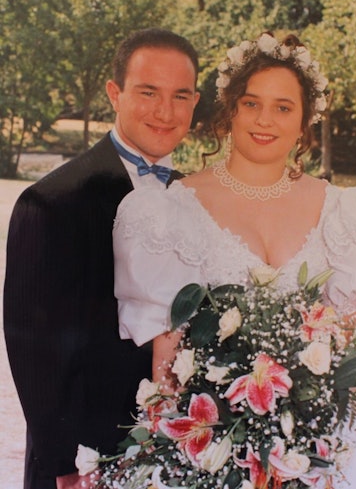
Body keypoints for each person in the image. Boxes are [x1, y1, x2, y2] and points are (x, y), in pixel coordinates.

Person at [112, 32, 356, 488]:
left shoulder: (342, 210)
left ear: (305, 121)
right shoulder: (170, 209)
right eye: (251, 103)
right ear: (230, 110)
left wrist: (312, 426)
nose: (266, 120)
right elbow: (166, 350)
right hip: (211, 450)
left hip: (317, 449)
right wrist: (168, 450)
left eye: (284, 107)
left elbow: (347, 340)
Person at [3, 27, 200, 489]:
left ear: (195, 102)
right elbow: (36, 355)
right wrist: (68, 467)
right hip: (86, 463)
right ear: (115, 93)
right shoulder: (51, 202)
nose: (164, 111)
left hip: (183, 457)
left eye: (180, 96)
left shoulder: (198, 199)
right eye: (148, 92)